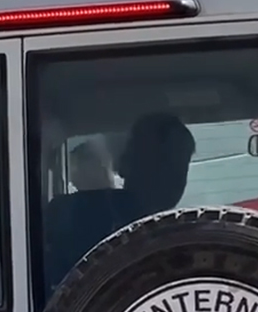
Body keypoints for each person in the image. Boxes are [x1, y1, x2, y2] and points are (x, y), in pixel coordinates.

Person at [42, 112, 196, 295]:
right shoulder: (73, 220)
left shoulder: (195, 239)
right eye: (164, 162)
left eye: (181, 165)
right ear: (126, 165)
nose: (174, 177)